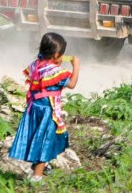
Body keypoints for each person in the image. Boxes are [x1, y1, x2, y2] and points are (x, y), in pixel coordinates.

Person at [9, 32, 80, 183]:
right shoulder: (55, 72)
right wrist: (76, 66)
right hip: (48, 112)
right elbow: (72, 84)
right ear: (56, 55)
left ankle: (40, 165)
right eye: (62, 55)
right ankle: (37, 176)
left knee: (37, 137)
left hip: (33, 109)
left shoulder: (35, 66)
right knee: (45, 142)